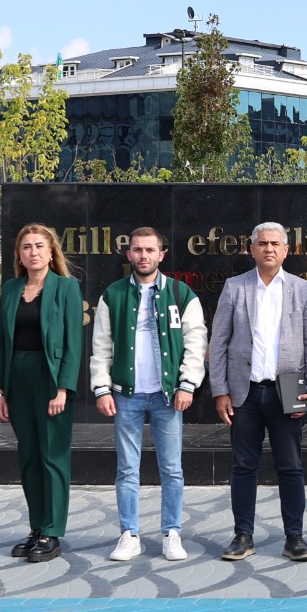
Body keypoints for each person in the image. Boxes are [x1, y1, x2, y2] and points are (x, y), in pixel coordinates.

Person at [87, 226, 207, 562]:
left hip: (167, 396)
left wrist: (187, 383)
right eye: (137, 250)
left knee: (172, 469)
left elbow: (196, 342)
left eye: (150, 250)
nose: (143, 256)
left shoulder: (181, 294)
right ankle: (129, 534)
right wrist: (101, 388)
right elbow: (101, 346)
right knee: (127, 469)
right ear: (129, 254)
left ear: (161, 255)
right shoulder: (112, 295)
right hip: (126, 395)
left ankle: (172, 533)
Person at [209, 222, 307, 562]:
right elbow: (219, 342)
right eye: (262, 243)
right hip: (244, 393)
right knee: (244, 466)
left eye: (275, 243)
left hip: (288, 391)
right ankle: (243, 535)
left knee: (291, 467)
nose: (269, 248)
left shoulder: (303, 290)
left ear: (286, 250)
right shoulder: (235, 287)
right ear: (252, 249)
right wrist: (220, 390)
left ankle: (295, 537)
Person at [0, 223, 86, 563]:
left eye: (39, 246)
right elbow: (1, 340)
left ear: (51, 252)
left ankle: (52, 530)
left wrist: (63, 388)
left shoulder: (66, 288)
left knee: (52, 456)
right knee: (29, 457)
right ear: (19, 254)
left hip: (50, 381)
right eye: (26, 247)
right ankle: (36, 527)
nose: (33, 252)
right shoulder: (12, 288)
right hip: (17, 379)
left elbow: (74, 343)